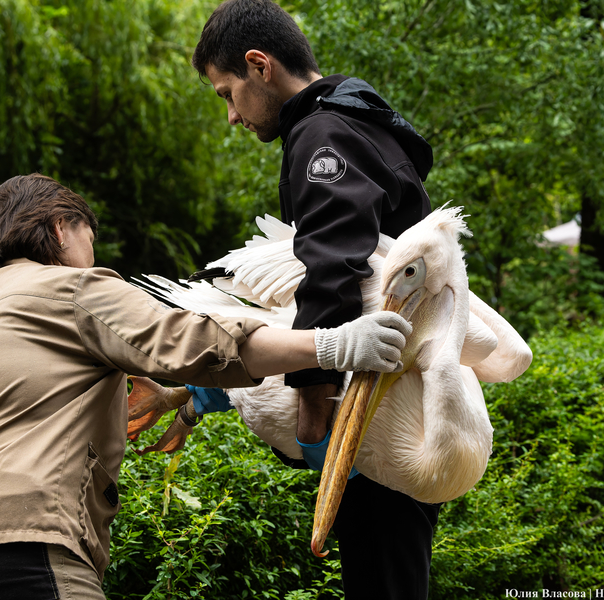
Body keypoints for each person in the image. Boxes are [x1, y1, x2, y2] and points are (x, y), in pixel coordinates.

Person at [0, 173, 412, 599]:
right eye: (90, 237)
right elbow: (194, 341)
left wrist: (189, 401)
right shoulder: (68, 288)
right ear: (61, 228)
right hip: (9, 545)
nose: (92, 253)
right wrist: (335, 344)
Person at [189, 1, 442, 598]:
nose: (231, 116)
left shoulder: (323, 133)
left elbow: (333, 268)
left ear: (260, 65)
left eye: (228, 93)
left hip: (370, 407)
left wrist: (312, 408)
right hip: (401, 396)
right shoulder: (357, 122)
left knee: (382, 579)